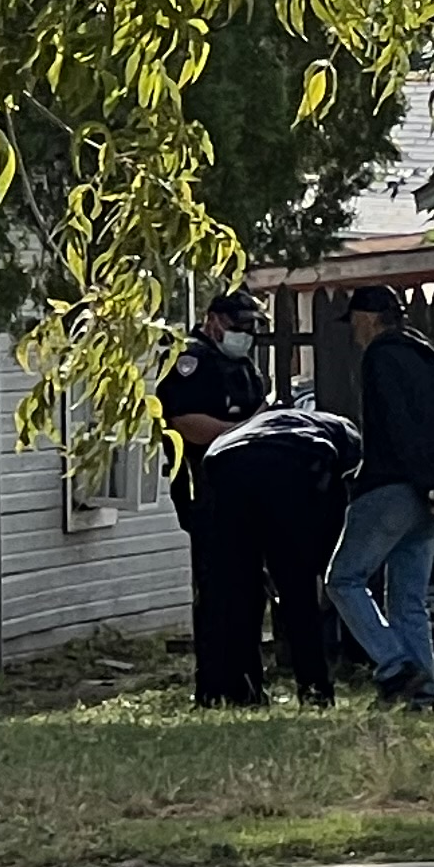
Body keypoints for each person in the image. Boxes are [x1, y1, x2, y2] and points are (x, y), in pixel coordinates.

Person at [329, 283, 434, 711]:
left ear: (367, 319)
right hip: (428, 499)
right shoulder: (430, 357)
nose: (354, 333)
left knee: (343, 579)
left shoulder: (379, 356)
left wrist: (428, 484)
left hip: (391, 488)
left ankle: (396, 668)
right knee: (410, 600)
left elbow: (397, 427)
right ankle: (424, 696)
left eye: (355, 323)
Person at [189, 398, 364, 705]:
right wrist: (325, 558)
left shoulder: (268, 425)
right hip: (292, 468)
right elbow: (338, 499)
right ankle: (314, 689)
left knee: (233, 589)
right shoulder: (344, 433)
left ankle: (233, 689)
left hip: (223, 463)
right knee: (298, 592)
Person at [156, 289, 272, 706]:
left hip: (248, 491)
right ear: (214, 321)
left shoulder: (241, 365)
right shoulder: (191, 361)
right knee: (218, 589)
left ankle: (248, 685)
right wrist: (238, 432)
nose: (246, 335)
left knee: (251, 589)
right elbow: (183, 420)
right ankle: (216, 686)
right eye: (239, 326)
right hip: (207, 489)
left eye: (251, 328)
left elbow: (260, 408)